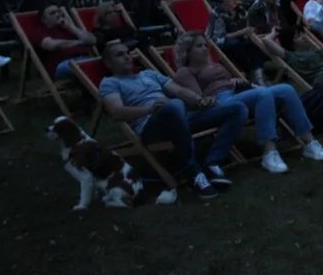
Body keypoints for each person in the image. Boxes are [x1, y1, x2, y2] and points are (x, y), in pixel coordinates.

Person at [99, 41, 246, 199]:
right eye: (119, 55)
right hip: (150, 126)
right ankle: (192, 173)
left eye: (127, 52)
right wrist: (149, 110)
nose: (127, 57)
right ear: (108, 63)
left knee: (238, 108)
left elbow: (179, 90)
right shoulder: (109, 83)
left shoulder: (149, 74)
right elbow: (117, 112)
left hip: (178, 117)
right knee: (174, 105)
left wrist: (199, 100)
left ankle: (212, 163)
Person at [173, 31, 323, 174]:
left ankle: (309, 142)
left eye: (205, 45)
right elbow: (198, 99)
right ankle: (269, 152)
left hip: (237, 93)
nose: (205, 49)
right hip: (221, 103)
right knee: (263, 94)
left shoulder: (213, 65)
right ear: (187, 51)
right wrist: (222, 86)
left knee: (285, 89)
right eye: (199, 46)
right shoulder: (185, 72)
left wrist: (237, 82)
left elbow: (228, 80)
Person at [207, 0, 269, 85]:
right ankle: (250, 72)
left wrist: (249, 32)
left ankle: (258, 75)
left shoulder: (240, 10)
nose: (237, 1)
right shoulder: (218, 13)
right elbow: (219, 36)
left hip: (239, 39)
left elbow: (246, 26)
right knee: (236, 44)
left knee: (255, 45)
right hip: (218, 42)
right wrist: (242, 32)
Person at [24, 4, 96, 80]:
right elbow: (52, 45)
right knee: (88, 68)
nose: (58, 14)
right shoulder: (39, 32)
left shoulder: (67, 27)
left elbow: (92, 40)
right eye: (53, 13)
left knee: (101, 65)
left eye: (59, 12)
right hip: (62, 64)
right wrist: (79, 42)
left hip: (84, 59)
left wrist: (71, 27)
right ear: (43, 20)